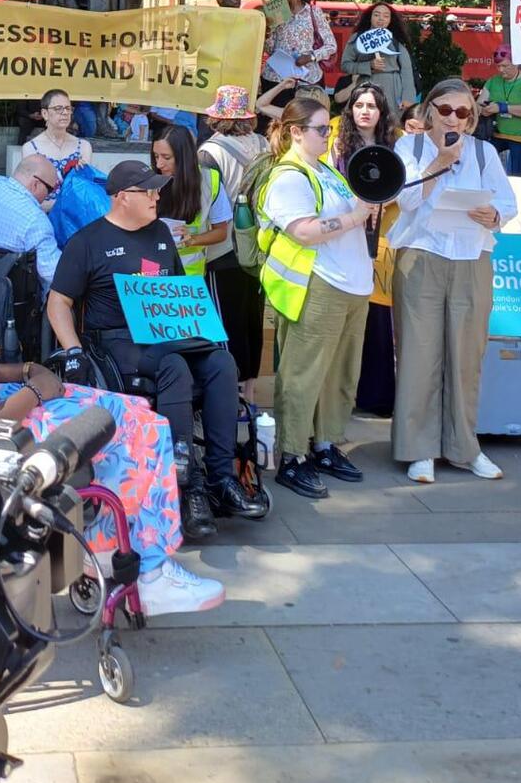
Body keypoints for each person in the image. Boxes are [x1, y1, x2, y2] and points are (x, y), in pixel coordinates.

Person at [0, 188, 224, 614]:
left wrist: (24, 370)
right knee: (135, 424)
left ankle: (115, 553)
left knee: (131, 410)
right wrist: (35, 394)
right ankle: (147, 571)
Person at [46, 160, 265, 540]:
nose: (157, 196)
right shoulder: (89, 241)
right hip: (118, 341)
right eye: (148, 191)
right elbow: (58, 302)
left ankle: (222, 478)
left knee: (221, 363)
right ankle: (187, 482)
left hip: (167, 332)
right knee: (174, 367)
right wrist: (73, 350)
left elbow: (179, 290)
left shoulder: (161, 233)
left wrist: (200, 326)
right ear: (120, 198)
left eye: (157, 189)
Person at [389, 78, 518, 484]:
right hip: (422, 255)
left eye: (463, 112)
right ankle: (419, 450)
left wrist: (493, 215)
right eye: (445, 110)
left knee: (466, 356)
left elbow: (507, 201)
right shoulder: (407, 147)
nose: (454, 118)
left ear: (472, 117)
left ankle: (465, 447)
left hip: (471, 256)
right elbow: (406, 199)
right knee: (419, 353)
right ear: (429, 110)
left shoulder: (484, 152)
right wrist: (440, 162)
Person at [253, 98, 373, 498]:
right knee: (303, 375)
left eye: (330, 129)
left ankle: (324, 444)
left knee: (338, 373)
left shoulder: (323, 170)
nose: (329, 135)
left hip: (349, 284)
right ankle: (291, 456)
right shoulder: (289, 175)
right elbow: (303, 230)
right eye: (322, 129)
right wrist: (357, 215)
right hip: (317, 284)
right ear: (296, 132)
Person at [329, 82, 398, 416]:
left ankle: (377, 395)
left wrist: (384, 197)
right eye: (359, 105)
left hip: (383, 237)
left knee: (379, 318)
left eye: (371, 105)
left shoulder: (395, 144)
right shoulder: (337, 144)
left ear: (381, 112)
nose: (365, 111)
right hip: (347, 234)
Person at [198, 85, 269, 403]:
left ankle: (232, 395)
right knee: (251, 318)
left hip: (222, 247)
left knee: (225, 322)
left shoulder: (209, 153)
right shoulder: (264, 144)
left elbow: (206, 205)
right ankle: (251, 392)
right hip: (258, 245)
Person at [152, 123, 231, 276]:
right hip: (152, 270)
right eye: (155, 156)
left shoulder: (209, 181)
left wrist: (193, 239)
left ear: (184, 156)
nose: (159, 164)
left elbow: (221, 232)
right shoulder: (149, 180)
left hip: (189, 276)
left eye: (166, 157)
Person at [0, 154, 63, 291]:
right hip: (15, 297)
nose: (48, 197)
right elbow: (53, 273)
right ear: (35, 184)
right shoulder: (37, 221)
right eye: (50, 190)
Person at [261, 0, 336, 94]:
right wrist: (267, 33)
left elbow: (331, 46)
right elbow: (270, 49)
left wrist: (311, 57)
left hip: (308, 80)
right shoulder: (276, 15)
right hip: (277, 79)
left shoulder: (313, 12)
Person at [339, 2, 418, 118]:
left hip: (393, 88)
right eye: (376, 15)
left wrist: (408, 98)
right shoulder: (358, 38)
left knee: (391, 124)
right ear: (370, 17)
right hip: (366, 85)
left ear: (390, 20)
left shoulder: (396, 41)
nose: (381, 18)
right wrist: (368, 66)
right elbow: (345, 65)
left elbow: (406, 71)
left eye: (386, 16)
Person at [477, 46, 521, 174]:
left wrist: (502, 108)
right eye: (498, 66)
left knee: (518, 178)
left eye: (505, 66)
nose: (501, 70)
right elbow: (478, 104)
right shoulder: (493, 81)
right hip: (495, 136)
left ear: (516, 63)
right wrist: (483, 110)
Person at [22, 87, 93, 175]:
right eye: (58, 108)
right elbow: (31, 185)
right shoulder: (31, 148)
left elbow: (86, 185)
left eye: (68, 108)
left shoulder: (83, 146)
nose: (65, 112)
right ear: (45, 113)